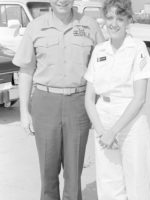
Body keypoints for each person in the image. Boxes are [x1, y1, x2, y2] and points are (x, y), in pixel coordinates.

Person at [12, 0, 104, 199]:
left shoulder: (90, 25)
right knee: (47, 171)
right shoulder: (35, 27)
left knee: (74, 173)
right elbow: (26, 70)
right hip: (45, 103)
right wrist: (24, 113)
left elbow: (102, 68)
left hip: (79, 104)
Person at [84, 0, 150, 199]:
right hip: (102, 120)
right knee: (108, 183)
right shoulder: (99, 50)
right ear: (104, 20)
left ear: (128, 21)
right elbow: (89, 98)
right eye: (109, 18)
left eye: (120, 18)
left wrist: (113, 131)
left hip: (130, 122)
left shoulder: (137, 48)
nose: (113, 23)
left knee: (137, 182)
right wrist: (101, 131)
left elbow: (140, 98)